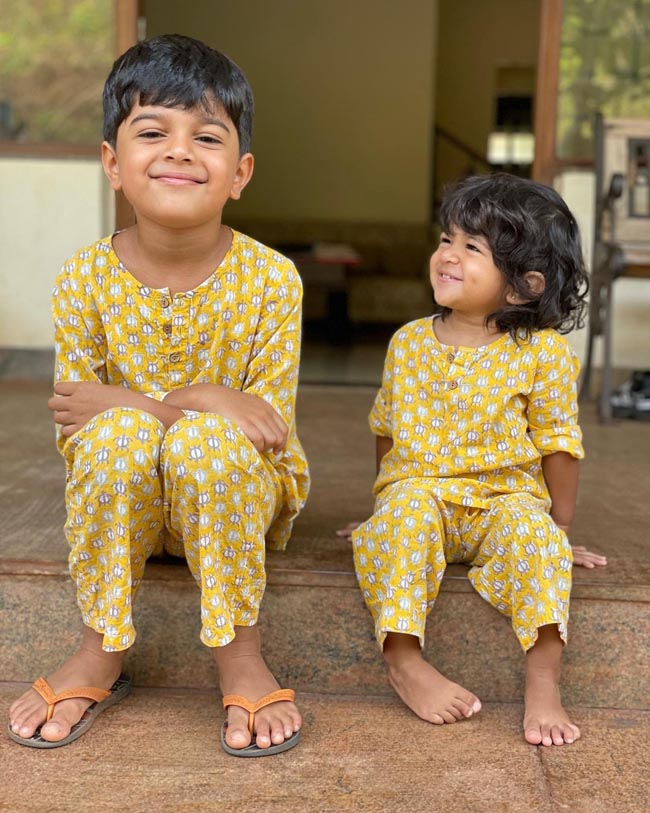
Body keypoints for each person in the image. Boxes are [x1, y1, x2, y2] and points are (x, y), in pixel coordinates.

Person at [8, 34, 309, 757]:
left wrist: (140, 400)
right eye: (152, 132)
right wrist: (199, 399)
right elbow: (78, 423)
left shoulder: (273, 280)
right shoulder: (83, 278)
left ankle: (240, 652)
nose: (179, 151)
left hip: (238, 496)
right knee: (119, 436)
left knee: (206, 443)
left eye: (206, 137)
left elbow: (264, 435)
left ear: (239, 173)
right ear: (113, 163)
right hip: (128, 499)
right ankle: (101, 649)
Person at [348, 173, 594, 747]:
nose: (448, 255)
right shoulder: (408, 342)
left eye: (472, 248)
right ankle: (404, 660)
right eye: (446, 239)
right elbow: (387, 429)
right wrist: (385, 507)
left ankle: (543, 682)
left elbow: (559, 442)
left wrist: (557, 530)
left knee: (536, 543)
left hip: (504, 502)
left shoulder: (542, 353)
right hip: (421, 494)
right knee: (404, 515)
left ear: (524, 286)